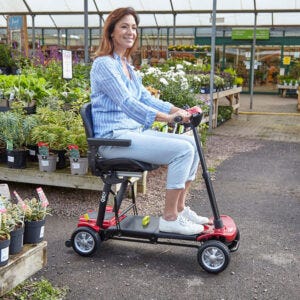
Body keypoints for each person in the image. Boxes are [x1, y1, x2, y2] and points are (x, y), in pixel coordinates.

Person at [90, 7, 209, 235]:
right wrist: (167, 118)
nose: (130, 32)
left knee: (193, 143)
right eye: (124, 26)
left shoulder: (127, 66)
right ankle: (170, 218)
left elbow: (145, 97)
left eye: (134, 27)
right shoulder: (104, 65)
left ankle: (180, 209)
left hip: (132, 134)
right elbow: (127, 102)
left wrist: (179, 111)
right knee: (182, 151)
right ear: (111, 32)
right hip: (113, 141)